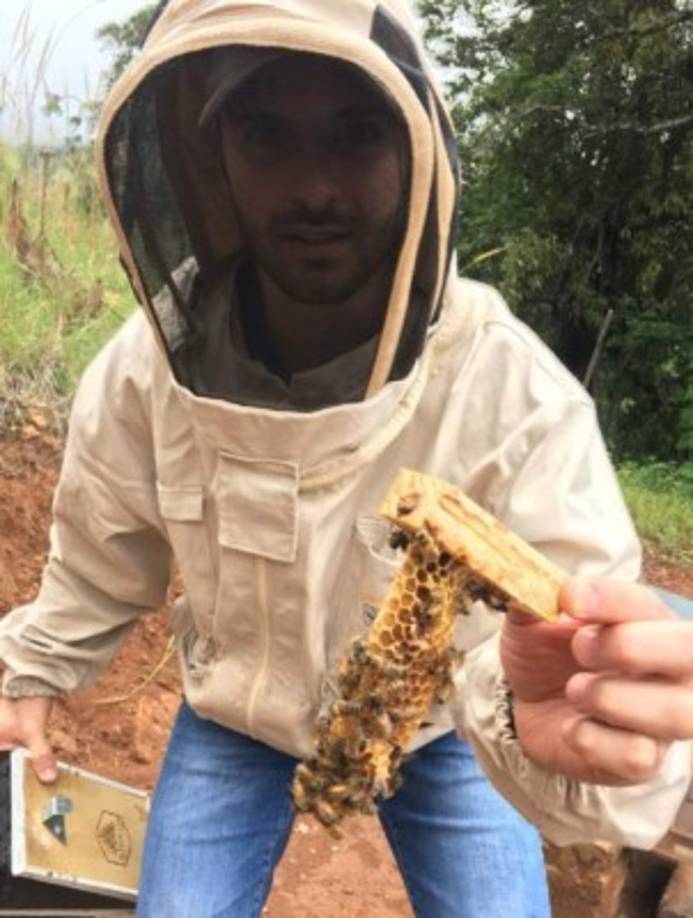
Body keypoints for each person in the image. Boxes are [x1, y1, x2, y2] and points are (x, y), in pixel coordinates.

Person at [0, 1, 691, 916]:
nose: (313, 187)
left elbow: (569, 619)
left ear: (414, 157)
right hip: (231, 717)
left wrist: (547, 714)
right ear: (213, 161)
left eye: (356, 135)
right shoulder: (140, 370)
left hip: (447, 728)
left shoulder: (511, 389)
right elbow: (99, 552)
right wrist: (31, 673)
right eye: (267, 136)